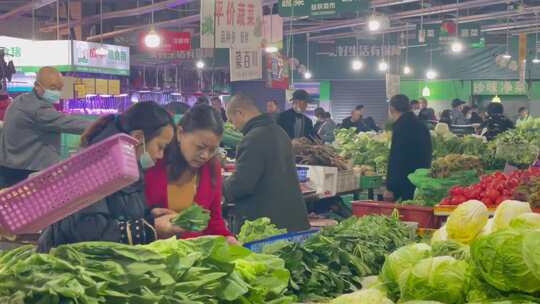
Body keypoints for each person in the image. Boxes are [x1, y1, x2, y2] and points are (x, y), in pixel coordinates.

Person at [38, 102, 180, 252]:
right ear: (138, 138)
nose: (160, 155)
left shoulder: (129, 167)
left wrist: (151, 217)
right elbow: (88, 233)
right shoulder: (94, 167)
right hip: (69, 263)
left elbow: (120, 214)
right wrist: (149, 229)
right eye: (160, 147)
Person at [144, 105, 234, 241]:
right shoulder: (155, 162)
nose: (205, 155)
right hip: (154, 252)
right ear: (180, 134)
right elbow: (135, 215)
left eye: (212, 150)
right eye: (200, 147)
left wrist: (228, 238)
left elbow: (214, 219)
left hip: (192, 254)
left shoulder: (211, 168)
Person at [224, 93, 309, 232]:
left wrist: (218, 188)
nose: (233, 126)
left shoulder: (252, 138)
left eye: (231, 120)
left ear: (240, 113)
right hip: (291, 220)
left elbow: (242, 184)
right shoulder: (280, 132)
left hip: (268, 226)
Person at [0, 67, 92, 188]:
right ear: (37, 85)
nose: (57, 92)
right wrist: (102, 124)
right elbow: (69, 123)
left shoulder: (20, 100)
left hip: (9, 168)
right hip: (26, 172)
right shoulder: (38, 109)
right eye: (52, 88)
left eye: (60, 88)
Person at [385, 95, 432, 201]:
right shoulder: (421, 125)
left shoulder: (400, 126)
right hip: (421, 180)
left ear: (392, 108)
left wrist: (390, 187)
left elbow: (396, 157)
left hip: (404, 181)